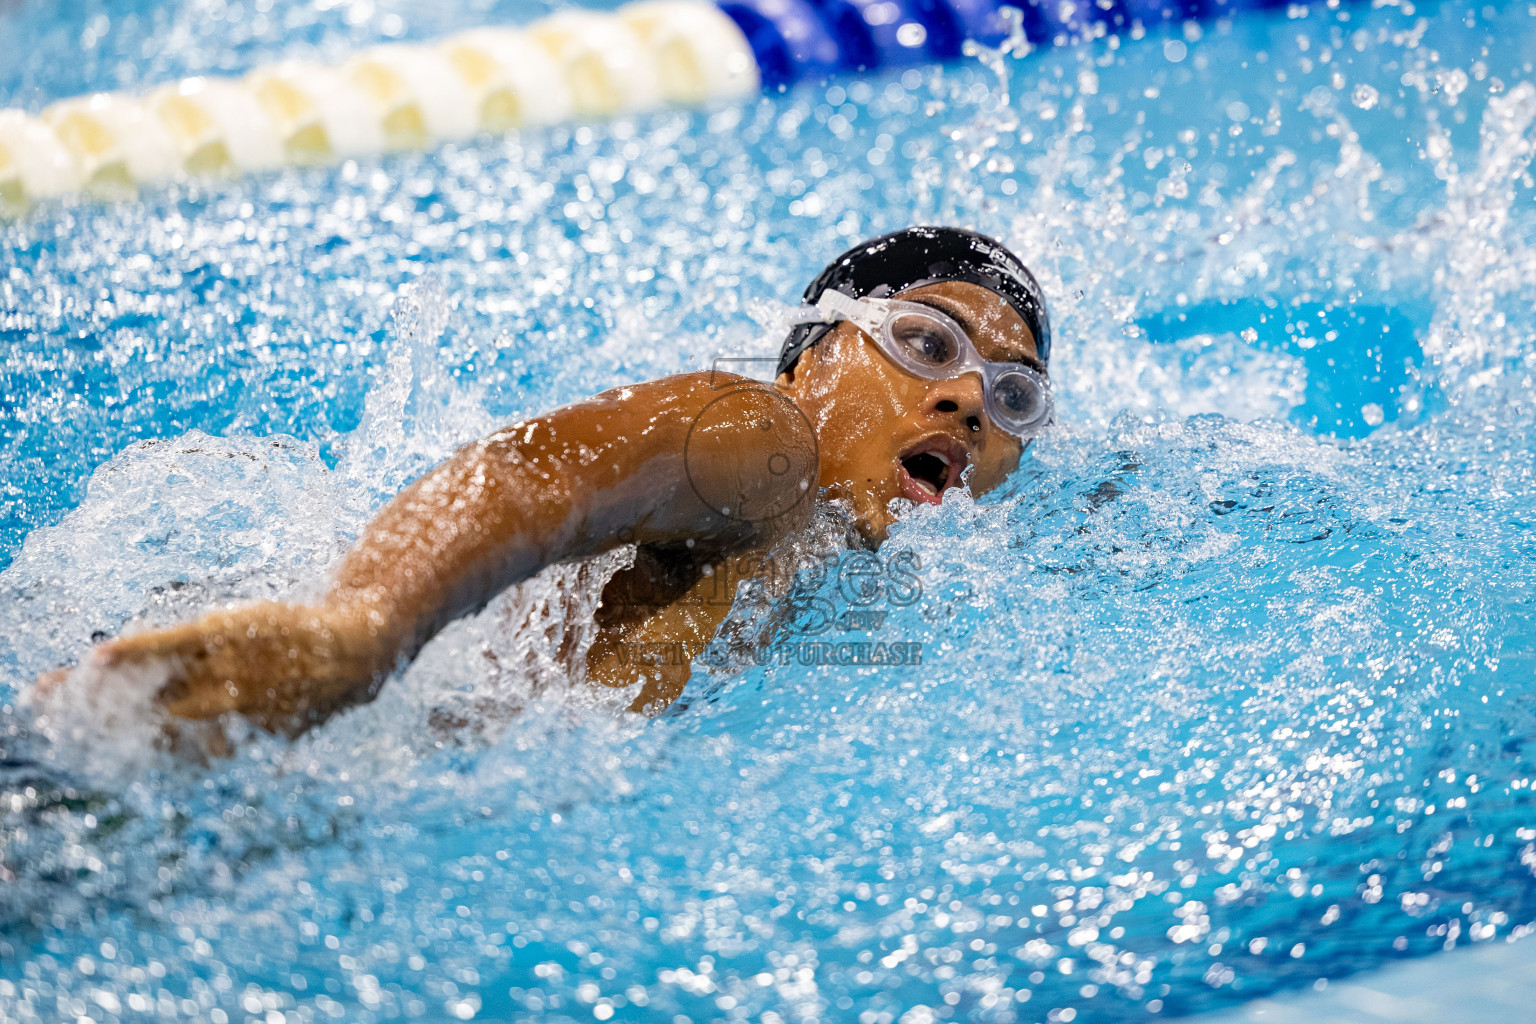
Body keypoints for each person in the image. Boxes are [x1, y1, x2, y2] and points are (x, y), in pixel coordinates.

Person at [33, 226, 1053, 736]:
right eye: (926, 342)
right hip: (250, 696)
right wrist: (362, 633)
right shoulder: (764, 440)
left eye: (1015, 398)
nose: (969, 398)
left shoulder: (827, 552)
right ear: (813, 357)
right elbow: (534, 471)